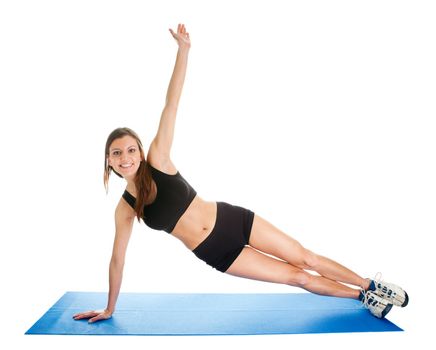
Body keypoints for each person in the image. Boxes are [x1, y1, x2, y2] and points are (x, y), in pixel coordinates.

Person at [73, 24, 408, 323]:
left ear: (140, 150)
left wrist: (184, 51)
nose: (126, 157)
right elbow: (117, 260)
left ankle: (370, 283)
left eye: (131, 149)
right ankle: (364, 298)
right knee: (298, 278)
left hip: (232, 219)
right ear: (109, 162)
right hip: (218, 252)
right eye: (117, 153)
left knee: (306, 257)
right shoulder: (126, 207)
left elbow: (171, 104)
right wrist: (110, 308)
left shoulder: (158, 159)